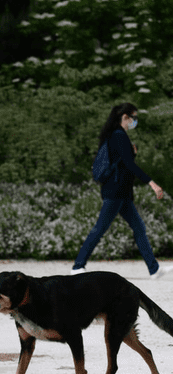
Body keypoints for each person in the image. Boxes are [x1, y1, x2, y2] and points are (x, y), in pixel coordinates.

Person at [71, 102, 172, 279]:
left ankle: (154, 270)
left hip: (121, 192)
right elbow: (129, 165)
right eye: (134, 117)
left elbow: (122, 162)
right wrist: (152, 183)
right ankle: (78, 266)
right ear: (125, 117)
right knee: (100, 228)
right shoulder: (119, 135)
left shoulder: (116, 135)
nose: (135, 121)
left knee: (139, 227)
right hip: (116, 191)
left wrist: (131, 154)